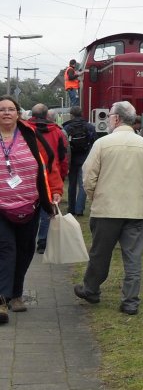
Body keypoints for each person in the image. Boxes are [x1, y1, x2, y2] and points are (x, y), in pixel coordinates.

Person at [74, 101, 143, 315]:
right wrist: (141, 197)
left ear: (116, 119)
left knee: (100, 254)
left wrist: (96, 198)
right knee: (133, 258)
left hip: (106, 209)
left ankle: (91, 289)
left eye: (111, 115)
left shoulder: (103, 144)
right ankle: (130, 301)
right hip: (135, 210)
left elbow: (89, 177)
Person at [0, 95, 60, 320]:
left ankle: (16, 294)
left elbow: (49, 165)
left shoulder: (30, 135)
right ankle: (2, 300)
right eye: (2, 109)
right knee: (6, 250)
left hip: (30, 205)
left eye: (10, 109)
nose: (6, 113)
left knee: (25, 251)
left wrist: (55, 191)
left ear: (18, 113)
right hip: (1, 207)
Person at [29, 104, 69, 255]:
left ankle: (28, 240)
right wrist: (62, 175)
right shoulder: (57, 132)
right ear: (47, 116)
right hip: (51, 174)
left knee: (30, 210)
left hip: (30, 176)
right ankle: (43, 241)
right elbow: (63, 156)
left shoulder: (24, 129)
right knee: (47, 210)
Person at [62, 105, 96, 216]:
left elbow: (63, 144)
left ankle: (71, 208)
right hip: (85, 159)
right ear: (81, 114)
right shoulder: (89, 127)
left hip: (71, 160)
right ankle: (79, 209)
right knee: (83, 185)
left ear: (71, 115)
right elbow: (93, 142)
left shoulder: (66, 128)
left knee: (72, 184)